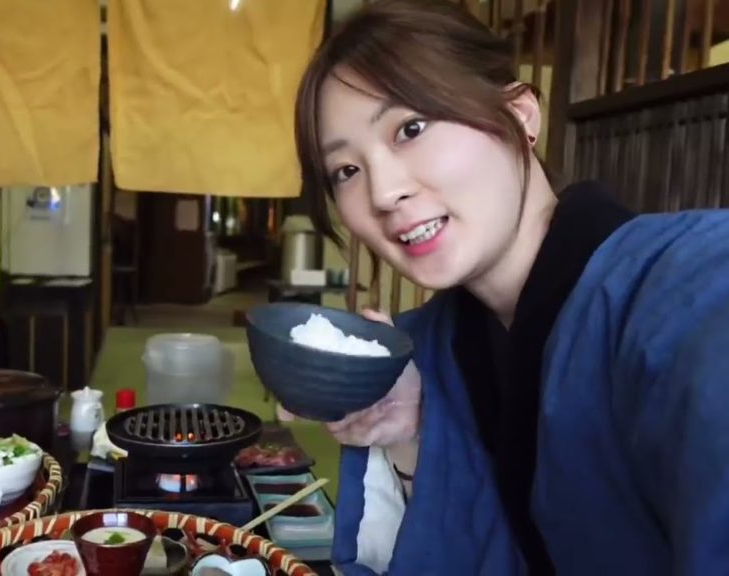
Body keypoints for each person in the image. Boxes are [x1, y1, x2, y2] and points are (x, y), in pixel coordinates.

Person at [290, 0, 729, 574]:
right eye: (345, 170)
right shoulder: (429, 349)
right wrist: (411, 434)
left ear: (521, 116)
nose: (382, 192)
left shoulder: (684, 287)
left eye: (411, 128)